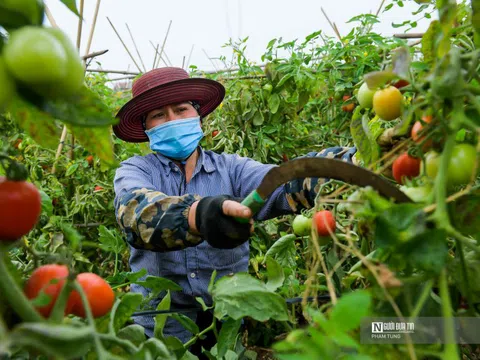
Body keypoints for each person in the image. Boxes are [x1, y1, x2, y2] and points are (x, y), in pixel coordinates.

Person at [112, 67, 356, 355]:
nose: (172, 120)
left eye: (180, 110)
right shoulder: (136, 170)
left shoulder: (232, 169)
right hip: (160, 329)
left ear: (198, 115)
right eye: (159, 115)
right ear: (147, 127)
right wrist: (198, 215)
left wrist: (351, 162)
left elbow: (282, 181)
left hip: (228, 325)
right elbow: (136, 213)